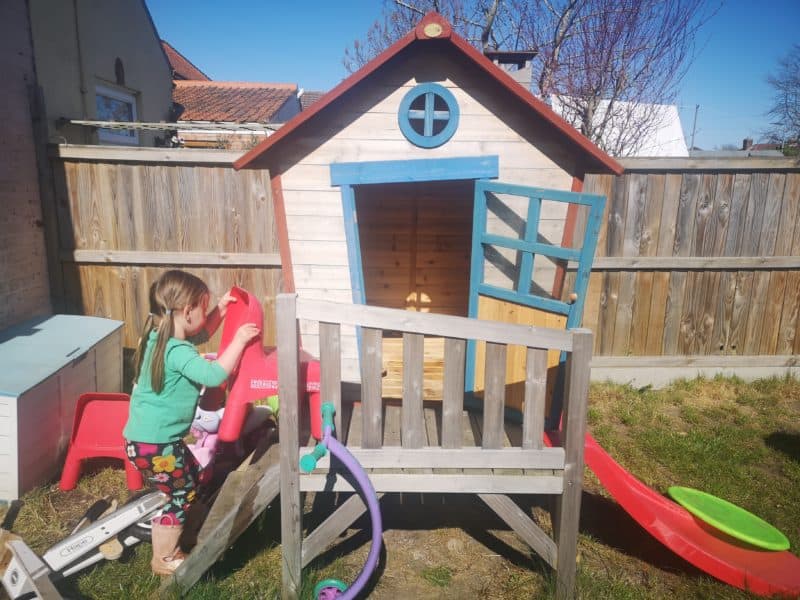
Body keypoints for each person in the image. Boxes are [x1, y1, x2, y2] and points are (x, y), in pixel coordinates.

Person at [123, 270, 260, 576]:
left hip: (144, 442)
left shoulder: (157, 338)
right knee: (180, 494)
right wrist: (238, 340)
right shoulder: (178, 352)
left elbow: (200, 332)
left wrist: (220, 310)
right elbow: (214, 375)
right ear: (187, 311)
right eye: (203, 307)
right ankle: (164, 557)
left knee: (194, 478)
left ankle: (186, 531)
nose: (204, 315)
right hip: (157, 445)